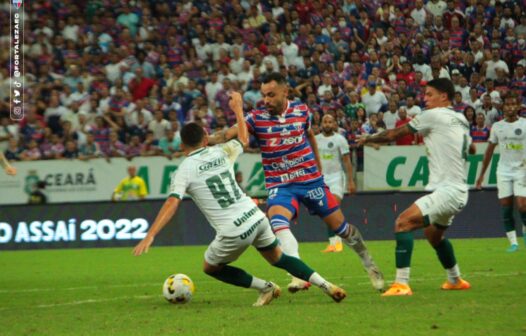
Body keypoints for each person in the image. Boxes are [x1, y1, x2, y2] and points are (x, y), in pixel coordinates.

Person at [133, 93, 346, 306]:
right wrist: (238, 109)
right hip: (256, 217)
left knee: (210, 267)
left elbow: (172, 202)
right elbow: (243, 139)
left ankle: (265, 287)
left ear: (182, 146)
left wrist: (151, 235)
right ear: (205, 138)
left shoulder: (183, 171)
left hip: (232, 229)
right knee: (279, 258)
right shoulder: (220, 152)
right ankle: (326, 285)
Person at [209, 72, 384, 293]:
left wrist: (318, 166)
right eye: (264, 95)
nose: (266, 100)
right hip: (281, 186)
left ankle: (369, 263)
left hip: (310, 181)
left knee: (342, 228)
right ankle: (297, 275)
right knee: (278, 224)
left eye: (271, 95)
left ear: (285, 92)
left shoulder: (302, 111)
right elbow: (228, 134)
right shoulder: (256, 118)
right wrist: (206, 139)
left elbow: (310, 134)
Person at [359, 78, 474, 296]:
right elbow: (472, 147)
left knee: (403, 222)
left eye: (430, 94)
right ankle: (455, 279)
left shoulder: (432, 115)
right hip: (458, 190)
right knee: (433, 235)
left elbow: (394, 134)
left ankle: (401, 284)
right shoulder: (460, 119)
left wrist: (368, 139)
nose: (425, 98)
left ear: (444, 96)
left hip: (448, 191)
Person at [476, 94, 526, 252]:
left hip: (521, 170)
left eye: (514, 104)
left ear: (518, 107)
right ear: (503, 107)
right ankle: (513, 242)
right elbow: (489, 151)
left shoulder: (525, 124)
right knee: (506, 206)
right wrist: (482, 174)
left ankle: (524, 231)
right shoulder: (497, 127)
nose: (510, 107)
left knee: (522, 205)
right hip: (503, 170)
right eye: (507, 105)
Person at [316, 114, 356, 253]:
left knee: (332, 206)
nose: (327, 124)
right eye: (325, 121)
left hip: (336, 177)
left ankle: (338, 241)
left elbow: (347, 161)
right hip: (321, 178)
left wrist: (351, 181)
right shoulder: (316, 140)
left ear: (334, 124)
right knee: (326, 211)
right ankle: (333, 242)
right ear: (321, 124)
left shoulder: (340, 139)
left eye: (330, 121)